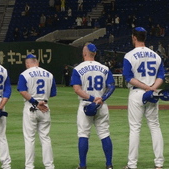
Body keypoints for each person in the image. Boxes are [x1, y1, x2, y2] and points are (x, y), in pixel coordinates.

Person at [122, 27, 164, 169]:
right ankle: (159, 164)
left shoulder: (129, 55)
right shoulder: (156, 55)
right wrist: (152, 89)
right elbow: (161, 77)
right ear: (144, 38)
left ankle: (132, 165)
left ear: (134, 37)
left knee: (135, 128)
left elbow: (128, 78)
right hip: (152, 92)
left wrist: (145, 88)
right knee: (155, 127)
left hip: (137, 93)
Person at [70, 43, 115, 169]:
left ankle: (83, 165)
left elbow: (77, 89)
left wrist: (91, 99)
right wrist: (101, 99)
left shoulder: (78, 69)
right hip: (101, 105)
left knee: (83, 134)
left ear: (84, 53)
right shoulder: (104, 68)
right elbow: (111, 86)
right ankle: (109, 165)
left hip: (86, 104)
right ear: (94, 54)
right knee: (105, 133)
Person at [17, 54, 57, 169]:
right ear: (37, 63)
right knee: (45, 138)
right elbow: (53, 93)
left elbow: (23, 92)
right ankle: (49, 166)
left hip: (31, 107)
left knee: (30, 138)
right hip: (45, 107)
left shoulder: (24, 74)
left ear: (27, 64)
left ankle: (29, 166)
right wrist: (42, 100)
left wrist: (35, 102)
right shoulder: (49, 74)